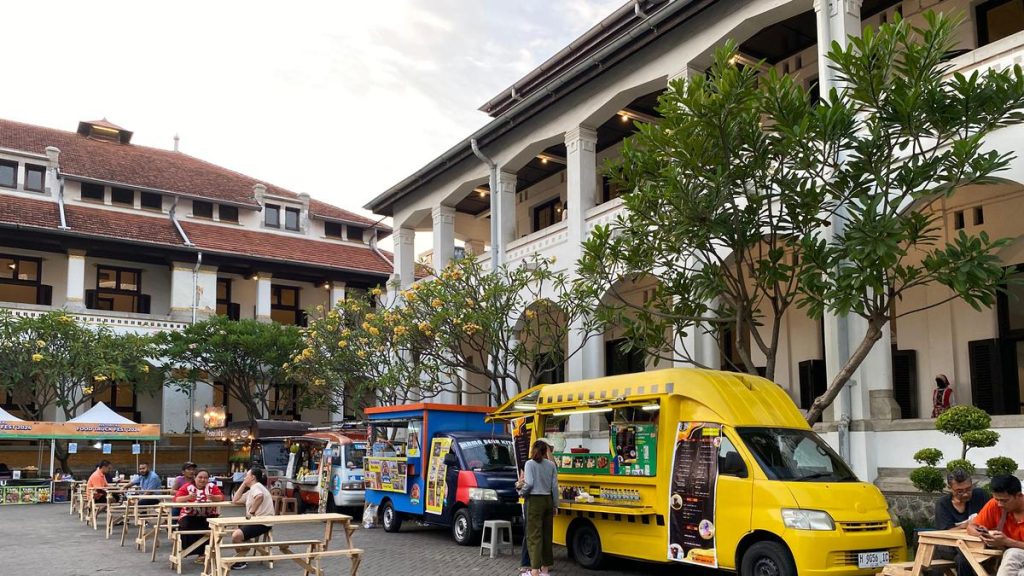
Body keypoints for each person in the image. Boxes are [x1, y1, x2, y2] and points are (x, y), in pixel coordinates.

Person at [934, 469, 989, 575]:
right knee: (964, 557)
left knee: (963, 559)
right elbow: (946, 532)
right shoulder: (943, 504)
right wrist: (967, 525)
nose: (965, 494)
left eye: (968, 489)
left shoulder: (980, 495)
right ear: (950, 488)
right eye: (959, 491)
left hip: (978, 542)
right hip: (950, 545)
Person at [968, 475, 1024, 576]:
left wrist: (1007, 542)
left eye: (1004, 500)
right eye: (997, 499)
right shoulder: (995, 504)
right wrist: (983, 534)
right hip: (1012, 556)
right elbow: (971, 527)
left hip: (1014, 554)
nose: (999, 504)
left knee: (1013, 555)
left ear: (1019, 495)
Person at [518, 438, 556, 576]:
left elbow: (529, 484)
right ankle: (545, 570)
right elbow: (554, 487)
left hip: (534, 501)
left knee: (534, 536)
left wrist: (521, 492)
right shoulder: (551, 465)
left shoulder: (529, 464)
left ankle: (534, 571)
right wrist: (555, 504)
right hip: (548, 500)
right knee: (547, 535)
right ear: (546, 451)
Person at [228, 467, 277, 570]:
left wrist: (251, 512)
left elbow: (259, 497)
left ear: (253, 477)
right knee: (235, 529)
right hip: (257, 522)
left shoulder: (256, 487)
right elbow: (235, 500)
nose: (245, 477)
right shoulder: (252, 489)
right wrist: (243, 484)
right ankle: (242, 557)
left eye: (247, 475)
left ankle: (241, 559)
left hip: (262, 522)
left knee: (236, 535)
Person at [173, 469, 224, 565]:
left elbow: (221, 497)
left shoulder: (212, 487)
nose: (203, 480)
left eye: (205, 478)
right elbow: (176, 499)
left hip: (208, 515)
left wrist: (213, 497)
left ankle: (205, 553)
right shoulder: (187, 487)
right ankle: (193, 551)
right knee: (187, 525)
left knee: (213, 526)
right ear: (195, 478)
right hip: (189, 515)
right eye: (200, 477)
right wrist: (188, 497)